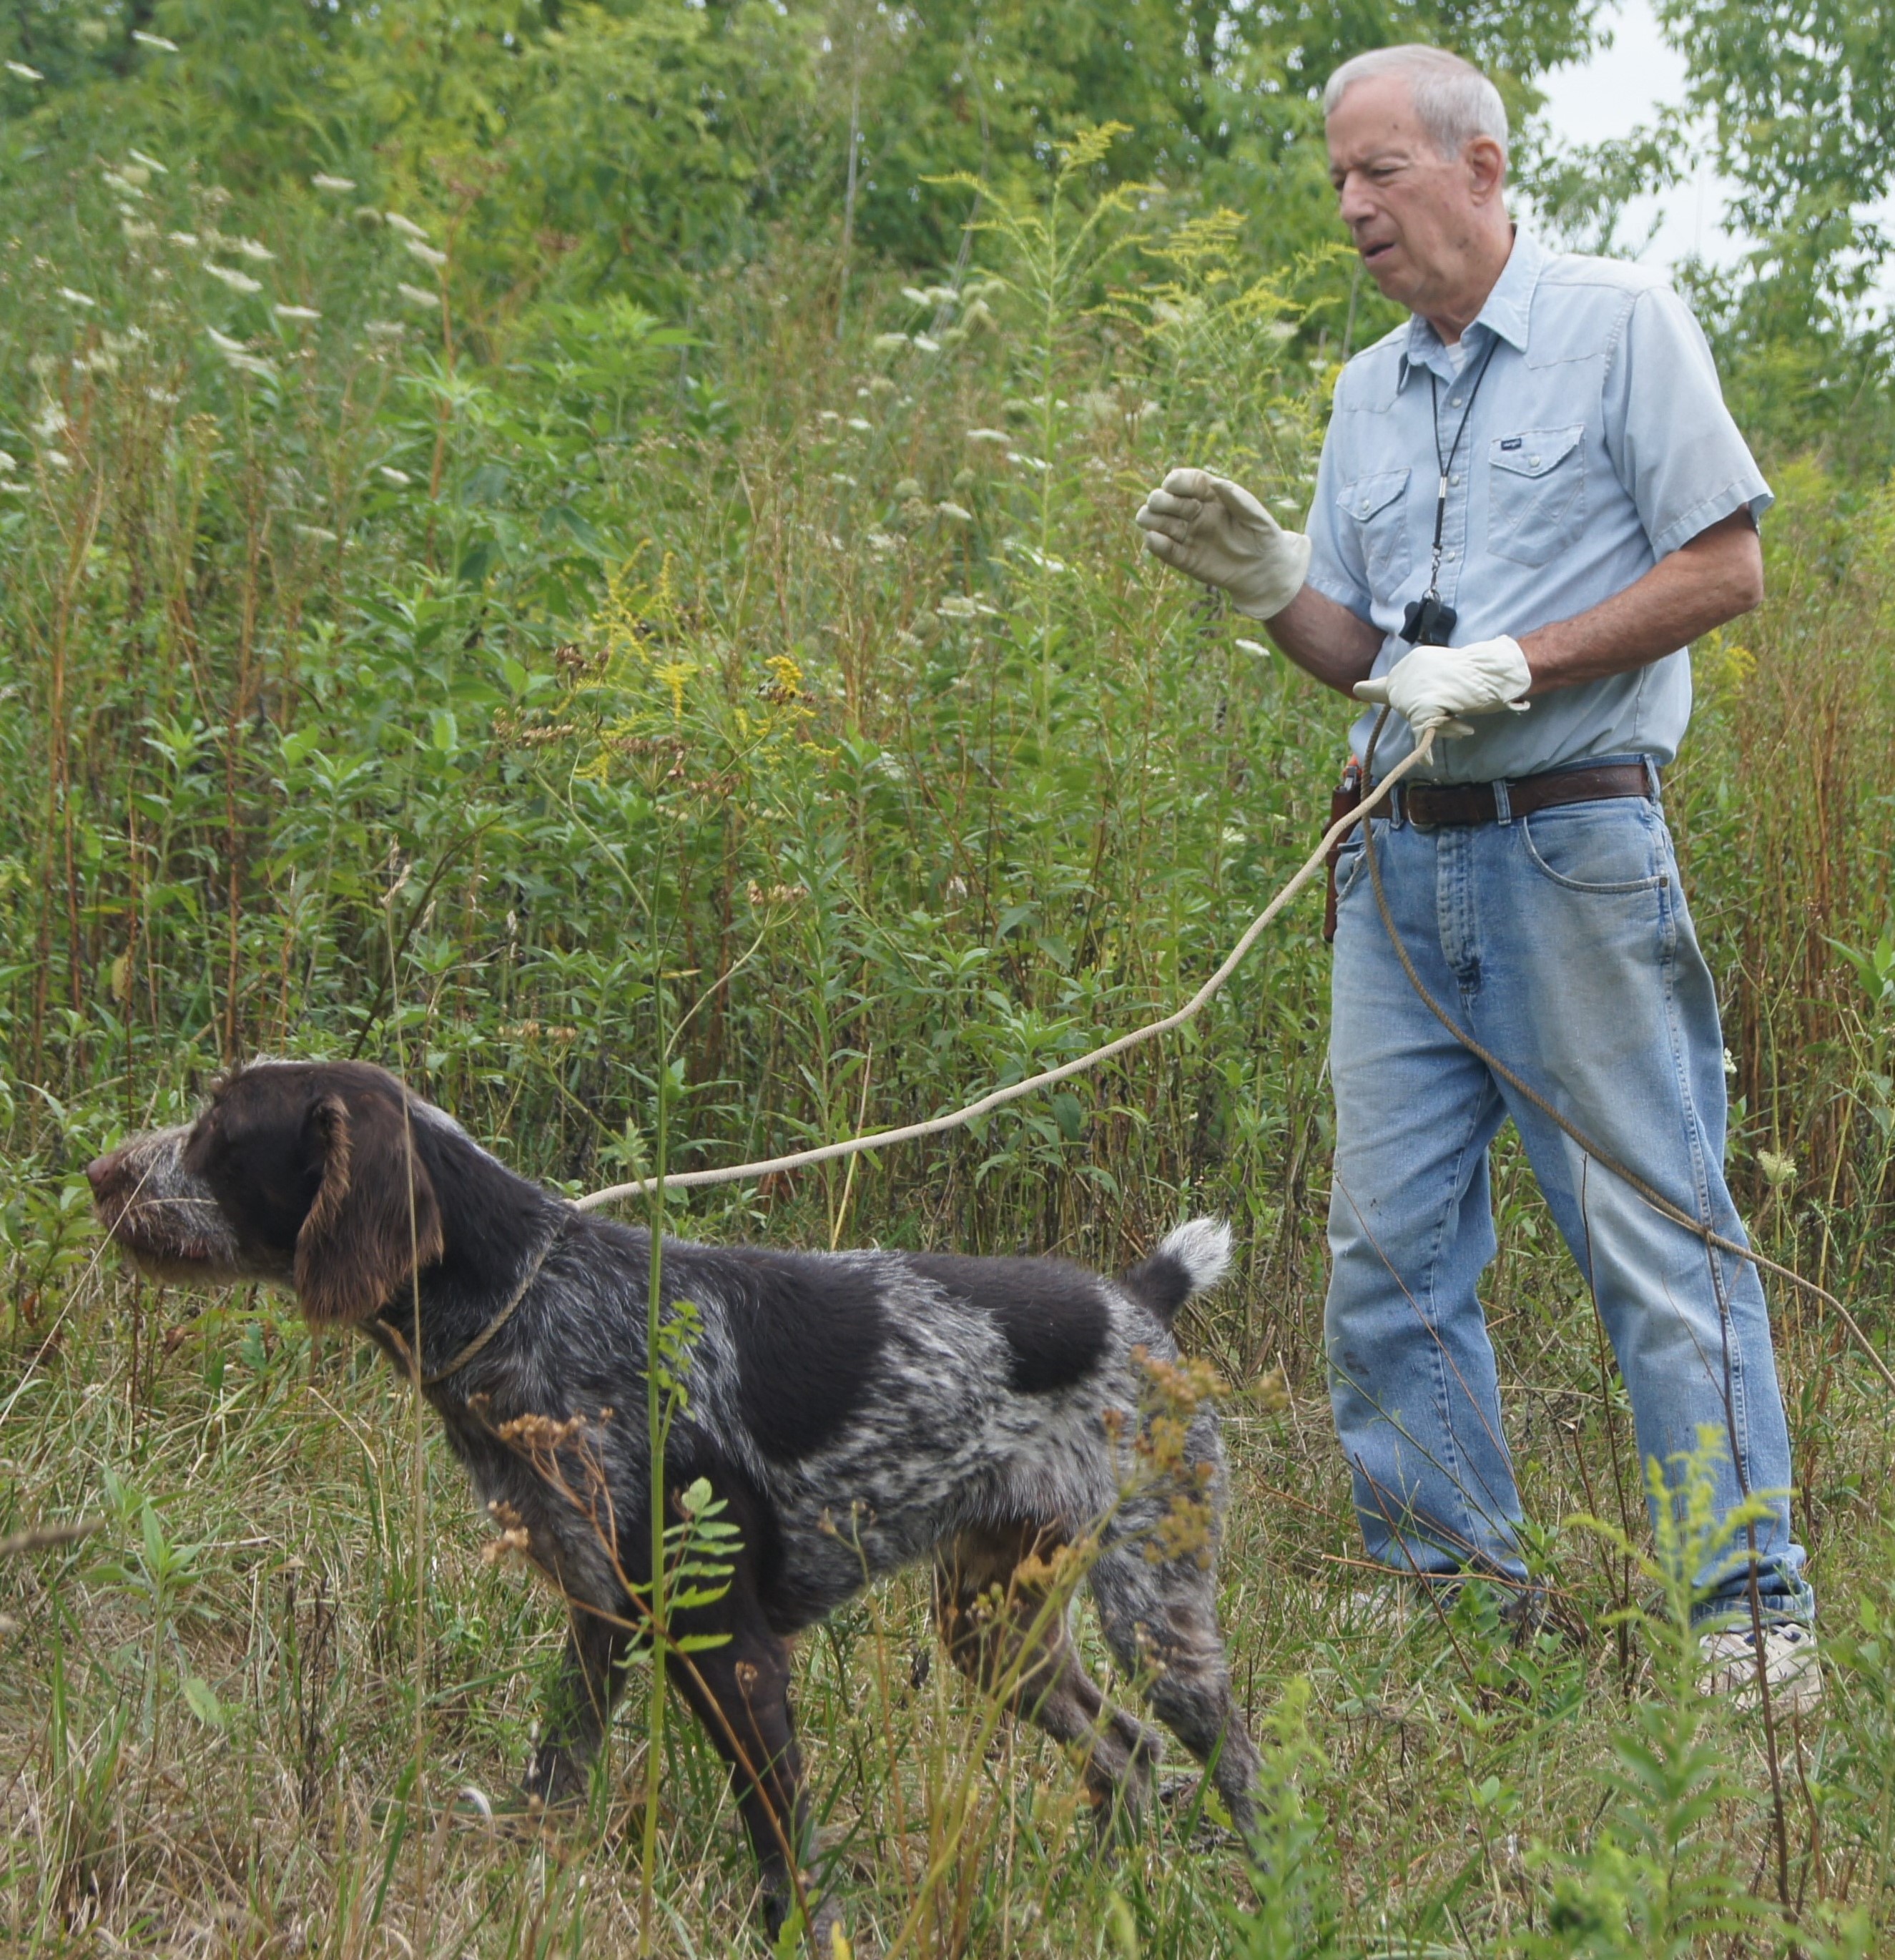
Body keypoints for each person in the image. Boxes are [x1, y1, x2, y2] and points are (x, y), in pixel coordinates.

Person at [1134, 42, 1818, 1707]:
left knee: (1651, 1231)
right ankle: (1445, 1583)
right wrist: (1272, 586)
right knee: (1387, 1245)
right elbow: (1363, 657)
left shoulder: (1618, 322)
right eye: (1336, 184)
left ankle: (1743, 1612)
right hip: (1396, 865)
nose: (1353, 208)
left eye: (1379, 172)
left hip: (1571, 849)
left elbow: (1721, 565)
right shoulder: (1367, 389)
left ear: (1480, 166)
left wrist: (1519, 663)